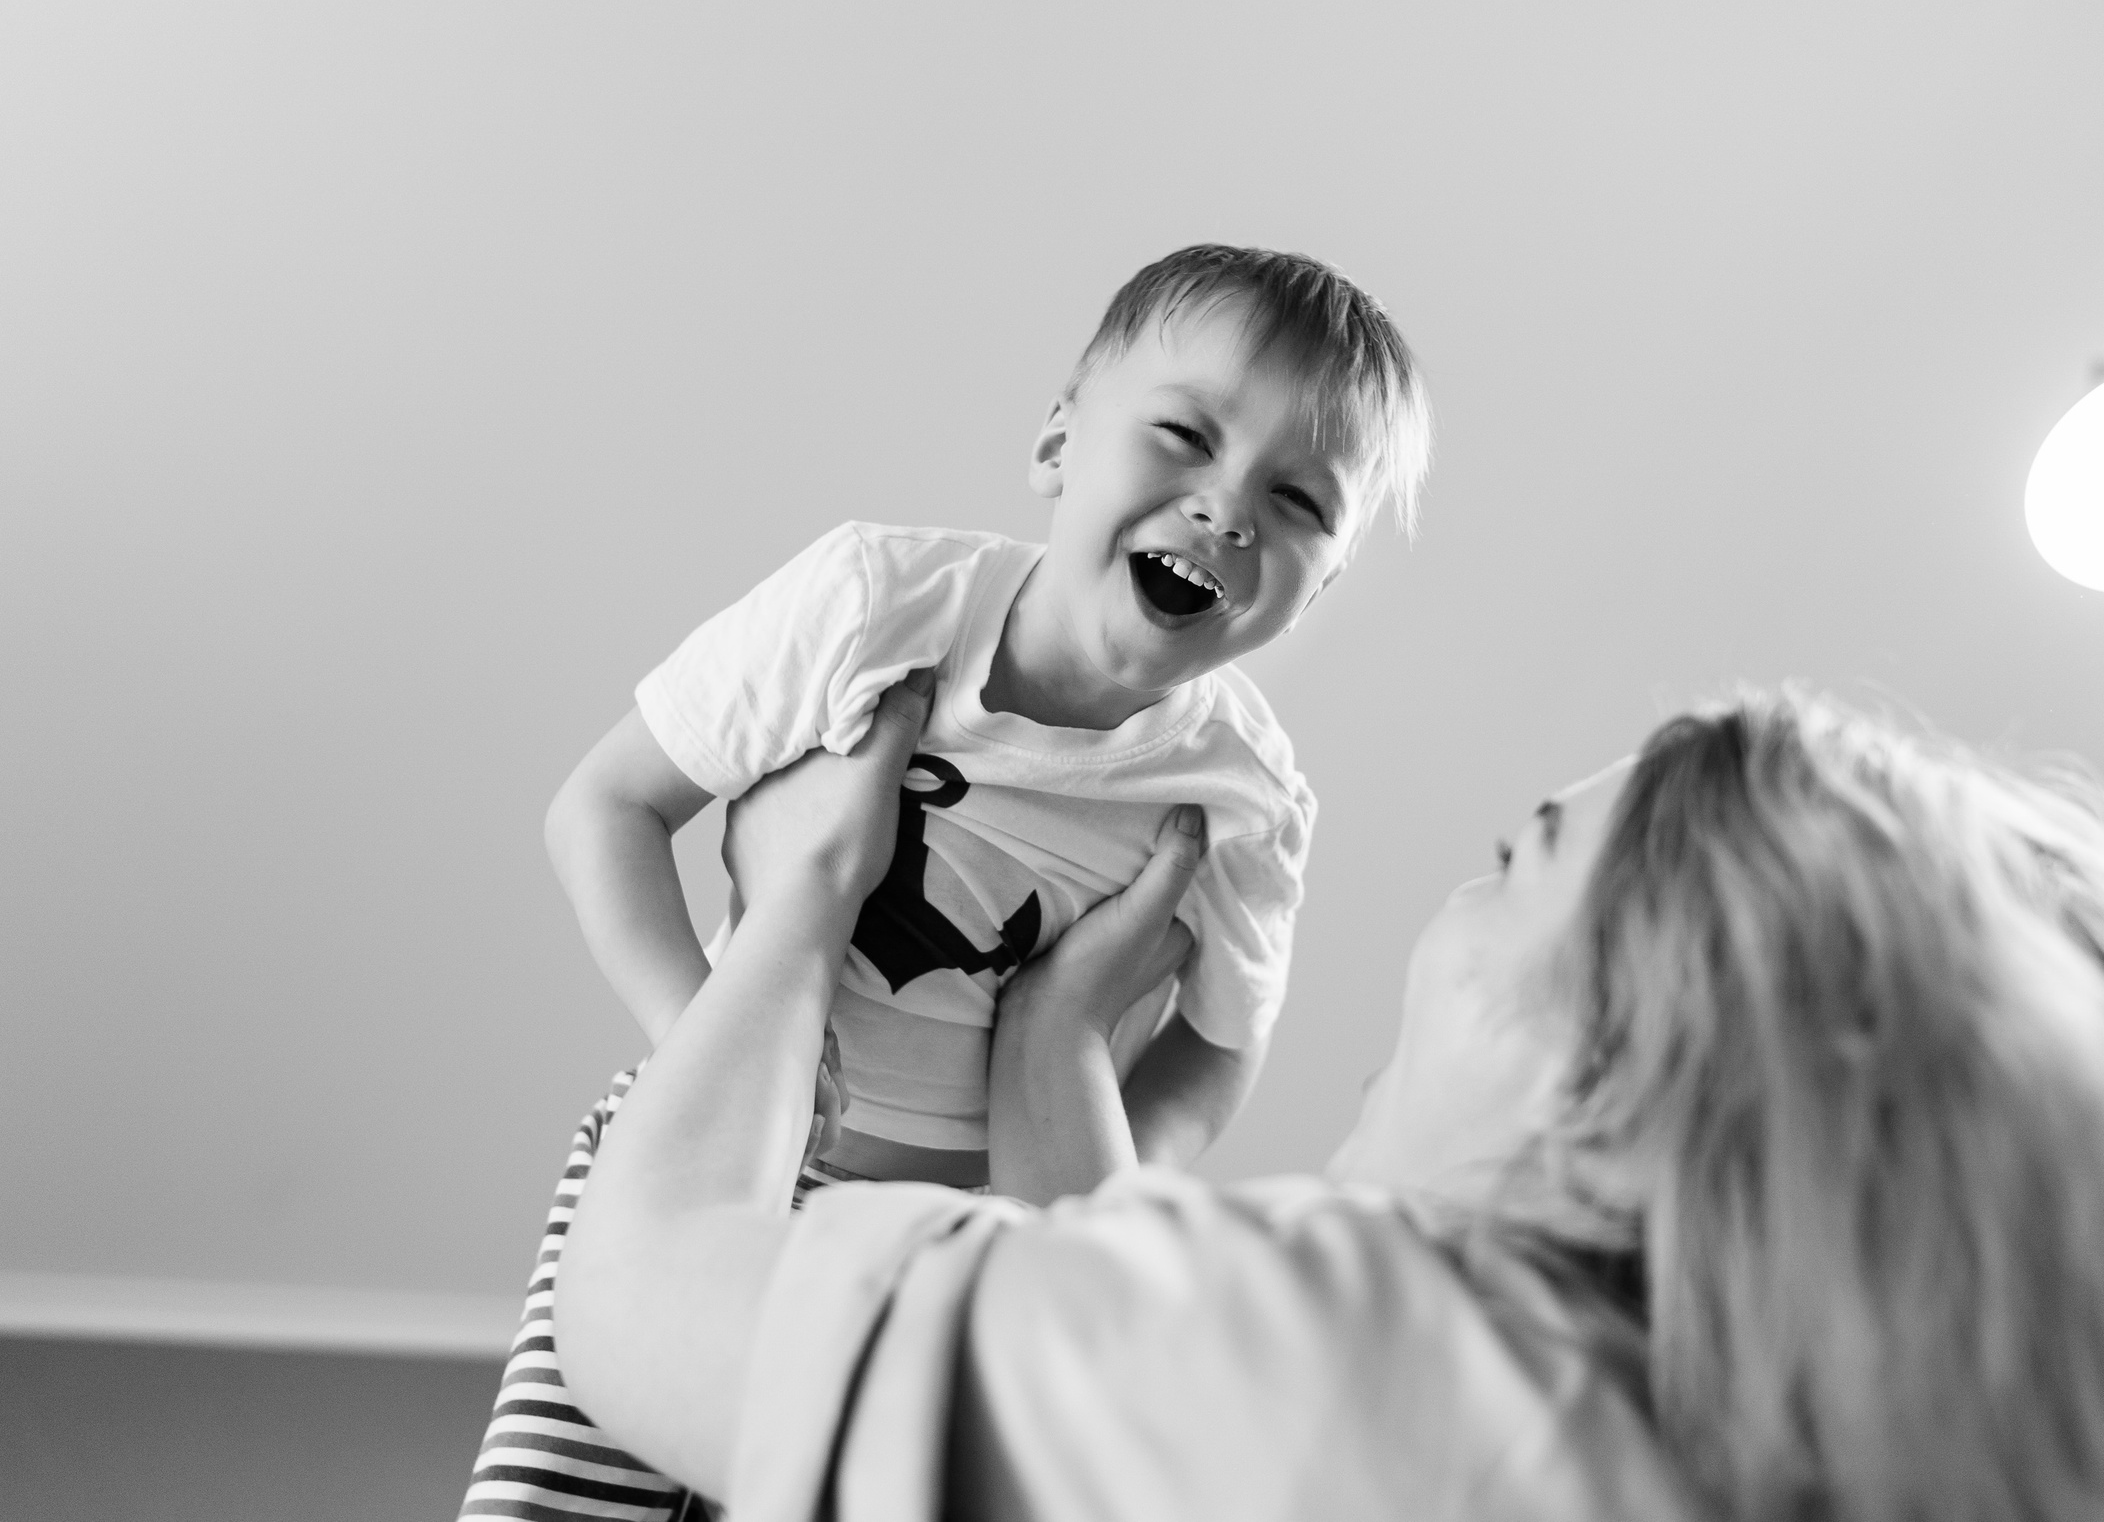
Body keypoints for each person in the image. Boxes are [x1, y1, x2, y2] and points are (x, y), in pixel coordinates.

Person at [549, 675, 2104, 1522]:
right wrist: (1055, 1050)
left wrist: (800, 896)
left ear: (1635, 1063)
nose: (1441, 902)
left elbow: (652, 1293)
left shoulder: (1390, 1350)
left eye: (1517, 853)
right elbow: (1136, 1414)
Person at [456, 245, 1431, 1521]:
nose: (1228, 508)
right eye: (1184, 435)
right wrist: (696, 1042)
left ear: (1322, 588)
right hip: (701, 1153)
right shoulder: (875, 605)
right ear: (1056, 447)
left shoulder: (1243, 799)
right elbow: (606, 807)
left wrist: (1089, 1213)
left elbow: (1217, 1051)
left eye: (1299, 503)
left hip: (941, 1246)